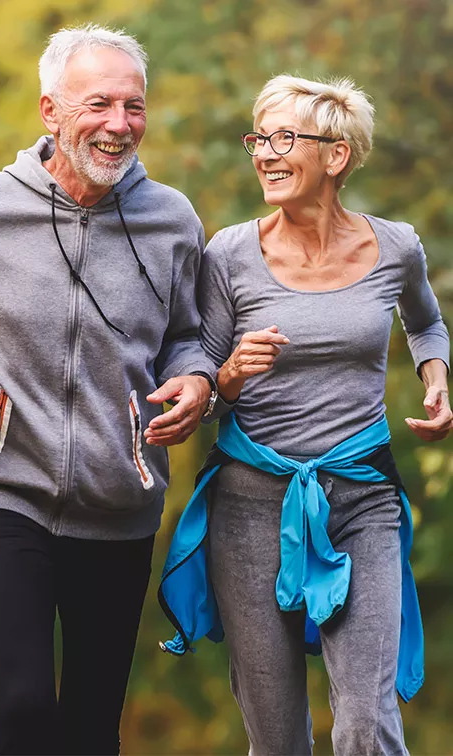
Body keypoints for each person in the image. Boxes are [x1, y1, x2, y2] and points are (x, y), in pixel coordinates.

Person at [159, 75, 451, 755]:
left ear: (337, 155)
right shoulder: (229, 253)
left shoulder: (397, 246)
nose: (264, 152)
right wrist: (229, 373)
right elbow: (203, 379)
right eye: (258, 138)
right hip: (250, 506)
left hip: (362, 500)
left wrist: (435, 382)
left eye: (284, 137)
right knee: (278, 736)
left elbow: (427, 324)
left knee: (365, 722)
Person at [0, 24, 216, 756]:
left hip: (121, 498)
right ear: (49, 111)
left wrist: (198, 381)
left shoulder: (172, 219)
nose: (119, 124)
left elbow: (188, 335)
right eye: (98, 103)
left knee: (94, 724)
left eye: (134, 106)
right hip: (4, 486)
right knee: (29, 702)